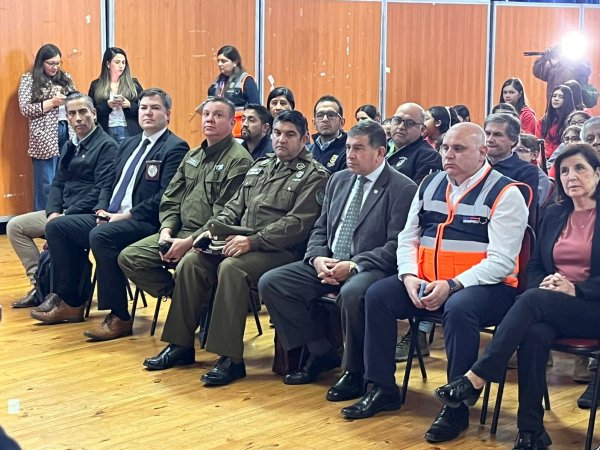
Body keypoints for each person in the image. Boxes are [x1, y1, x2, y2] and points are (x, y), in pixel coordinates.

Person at [344, 123, 529, 445]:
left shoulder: (506, 192)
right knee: (377, 295)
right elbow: (408, 238)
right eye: (445, 148)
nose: (448, 155)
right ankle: (382, 388)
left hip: (489, 288)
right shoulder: (430, 183)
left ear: (483, 153)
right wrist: (409, 276)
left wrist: (453, 285)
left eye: (458, 149)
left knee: (459, 309)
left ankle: (455, 407)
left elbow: (501, 261)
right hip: (427, 281)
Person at [141, 111, 330, 387]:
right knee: (192, 262)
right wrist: (211, 232)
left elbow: (296, 225)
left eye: (290, 135)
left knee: (232, 269)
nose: (281, 140)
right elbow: (233, 207)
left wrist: (253, 241)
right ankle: (180, 345)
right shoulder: (261, 166)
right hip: (239, 242)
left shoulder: (314, 175)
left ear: (305, 139)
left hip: (282, 252)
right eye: (278, 133)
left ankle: (230, 358)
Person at [434, 143, 600, 450]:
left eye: (580, 168)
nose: (571, 176)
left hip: (593, 308)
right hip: (553, 304)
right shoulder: (554, 213)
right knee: (534, 334)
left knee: (531, 301)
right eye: (564, 171)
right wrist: (546, 282)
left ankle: (476, 377)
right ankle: (531, 432)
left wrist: (575, 289)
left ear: (598, 174)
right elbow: (534, 266)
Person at [259, 120, 417, 401]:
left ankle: (354, 372)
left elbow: (397, 245)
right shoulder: (338, 179)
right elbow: (321, 227)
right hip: (330, 260)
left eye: (358, 149)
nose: (350, 155)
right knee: (273, 282)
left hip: (371, 267)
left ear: (380, 153)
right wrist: (317, 257)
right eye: (348, 148)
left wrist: (354, 266)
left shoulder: (402, 188)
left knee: (353, 293)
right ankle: (321, 352)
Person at [30, 88, 189, 341]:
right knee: (58, 227)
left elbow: (165, 197)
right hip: (111, 216)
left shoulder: (175, 147)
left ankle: (119, 316)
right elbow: (108, 184)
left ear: (168, 114)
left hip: (144, 221)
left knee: (101, 236)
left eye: (155, 108)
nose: (148, 113)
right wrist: (101, 209)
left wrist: (125, 216)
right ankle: (71, 302)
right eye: (144, 107)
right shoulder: (129, 144)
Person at [118, 96, 254, 315]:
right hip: (180, 232)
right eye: (206, 114)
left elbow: (225, 216)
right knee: (130, 257)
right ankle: (188, 301)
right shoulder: (193, 155)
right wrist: (166, 231)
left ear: (232, 123)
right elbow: (171, 198)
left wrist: (189, 242)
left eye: (218, 115)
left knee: (186, 266)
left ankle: (193, 306)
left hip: (212, 239)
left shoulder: (239, 160)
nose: (209, 119)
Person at [8, 93, 118, 308]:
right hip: (61, 213)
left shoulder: (107, 146)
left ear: (94, 113)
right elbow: (57, 183)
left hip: (87, 215)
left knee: (57, 227)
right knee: (15, 227)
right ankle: (40, 285)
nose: (78, 118)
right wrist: (53, 213)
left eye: (83, 112)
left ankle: (57, 292)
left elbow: (101, 191)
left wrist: (65, 215)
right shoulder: (70, 144)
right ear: (67, 117)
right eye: (72, 113)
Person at [18, 43, 75, 211]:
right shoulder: (29, 79)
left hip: (68, 130)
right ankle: (42, 220)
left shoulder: (66, 77)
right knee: (46, 182)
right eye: (51, 63)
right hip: (44, 134)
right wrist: (52, 102)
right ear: (41, 62)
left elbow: (76, 99)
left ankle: (62, 217)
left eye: (58, 63)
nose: (55, 67)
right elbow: (25, 109)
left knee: (67, 178)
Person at [484, 113, 540, 211]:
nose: (489, 140)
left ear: (513, 140)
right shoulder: (475, 165)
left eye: (497, 135)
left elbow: (522, 211)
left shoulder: (527, 171)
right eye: (487, 133)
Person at [88, 47, 143, 144]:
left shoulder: (134, 84)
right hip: (105, 131)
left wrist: (129, 105)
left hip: (129, 130)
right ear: (108, 64)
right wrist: (107, 105)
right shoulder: (96, 85)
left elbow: (144, 108)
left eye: (123, 62)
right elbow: (91, 112)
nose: (121, 66)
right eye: (117, 62)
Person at [207, 45, 259, 137]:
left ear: (235, 62)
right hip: (218, 131)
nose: (220, 64)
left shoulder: (246, 80)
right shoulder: (216, 83)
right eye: (218, 61)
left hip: (239, 132)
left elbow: (256, 108)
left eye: (223, 61)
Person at [386, 103, 442, 185]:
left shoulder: (429, 156)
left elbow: (419, 191)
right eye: (397, 120)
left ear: (422, 129)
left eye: (409, 123)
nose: (401, 127)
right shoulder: (379, 146)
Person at [309, 95, 347, 173]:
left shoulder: (349, 152)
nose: (325, 119)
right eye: (320, 115)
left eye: (331, 115)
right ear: (314, 123)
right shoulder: (306, 151)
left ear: (341, 122)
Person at [536, 85, 575, 160]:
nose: (556, 99)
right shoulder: (543, 121)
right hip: (543, 159)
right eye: (554, 96)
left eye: (561, 97)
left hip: (563, 158)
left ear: (567, 100)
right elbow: (537, 143)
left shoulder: (572, 121)